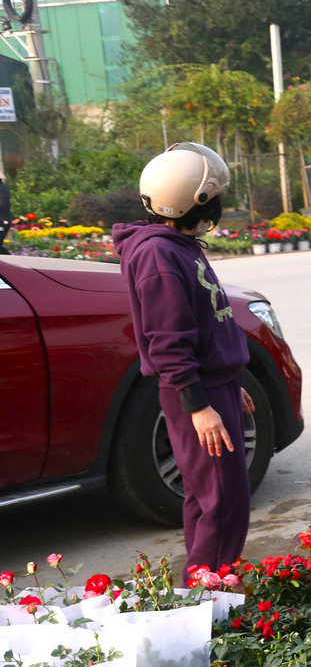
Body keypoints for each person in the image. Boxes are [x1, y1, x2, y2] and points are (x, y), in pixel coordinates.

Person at [113, 142, 254, 571]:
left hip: (217, 387)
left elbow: (209, 321)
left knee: (212, 495)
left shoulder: (179, 243)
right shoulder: (159, 253)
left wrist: (235, 384)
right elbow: (167, 339)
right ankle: (212, 602)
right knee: (221, 502)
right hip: (197, 395)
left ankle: (206, 588)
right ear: (199, 202)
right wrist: (199, 406)